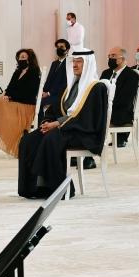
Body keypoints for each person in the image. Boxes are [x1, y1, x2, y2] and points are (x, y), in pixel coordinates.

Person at [17, 49, 108, 199]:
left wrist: (57, 124)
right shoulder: (71, 86)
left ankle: (61, 189)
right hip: (67, 129)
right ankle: (34, 188)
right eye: (74, 61)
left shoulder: (97, 87)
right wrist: (47, 122)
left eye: (79, 61)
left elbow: (87, 117)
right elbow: (55, 109)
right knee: (29, 140)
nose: (75, 65)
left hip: (84, 132)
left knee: (51, 139)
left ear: (88, 64)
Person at [0, 48, 41, 158]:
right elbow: (10, 87)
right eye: (19, 57)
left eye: (23, 57)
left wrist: (10, 97)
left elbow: (30, 92)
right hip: (15, 102)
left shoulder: (34, 72)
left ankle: (0, 131)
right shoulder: (17, 71)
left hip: (26, 105)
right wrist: (4, 94)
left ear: (29, 59)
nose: (20, 59)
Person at [100, 47, 139, 146]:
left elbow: (126, 99)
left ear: (122, 58)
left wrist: (107, 104)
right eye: (109, 56)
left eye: (113, 56)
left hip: (120, 110)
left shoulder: (131, 75)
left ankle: (121, 137)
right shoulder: (106, 73)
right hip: (105, 106)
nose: (110, 58)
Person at [40, 38, 71, 110]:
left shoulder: (69, 63)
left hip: (61, 96)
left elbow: (65, 83)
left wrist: (48, 93)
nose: (59, 49)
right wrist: (43, 91)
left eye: (62, 47)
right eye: (58, 47)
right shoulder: (54, 63)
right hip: (49, 95)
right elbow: (49, 80)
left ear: (67, 50)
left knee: (41, 104)